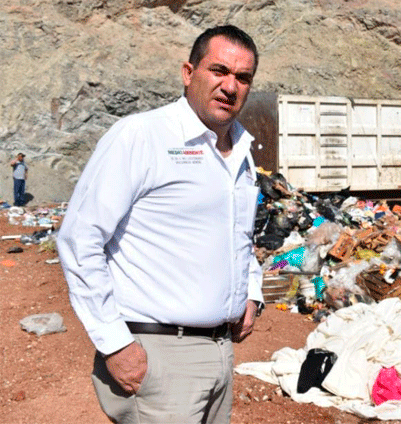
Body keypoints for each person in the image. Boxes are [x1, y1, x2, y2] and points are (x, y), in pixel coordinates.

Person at [57, 25, 265, 424]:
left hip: (219, 352)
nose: (230, 86)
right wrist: (115, 344)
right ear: (189, 72)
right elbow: (79, 239)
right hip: (159, 353)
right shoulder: (142, 136)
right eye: (218, 70)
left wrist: (250, 293)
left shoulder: (240, 148)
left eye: (242, 77)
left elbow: (236, 235)